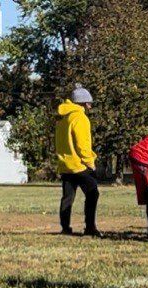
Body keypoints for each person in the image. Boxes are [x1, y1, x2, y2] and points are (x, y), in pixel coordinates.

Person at [55, 84, 101, 237]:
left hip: (65, 164)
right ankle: (90, 227)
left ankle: (65, 228)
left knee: (67, 197)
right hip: (79, 165)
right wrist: (90, 163)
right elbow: (82, 145)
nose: (90, 106)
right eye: (88, 103)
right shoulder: (80, 118)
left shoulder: (63, 118)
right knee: (92, 193)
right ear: (82, 103)